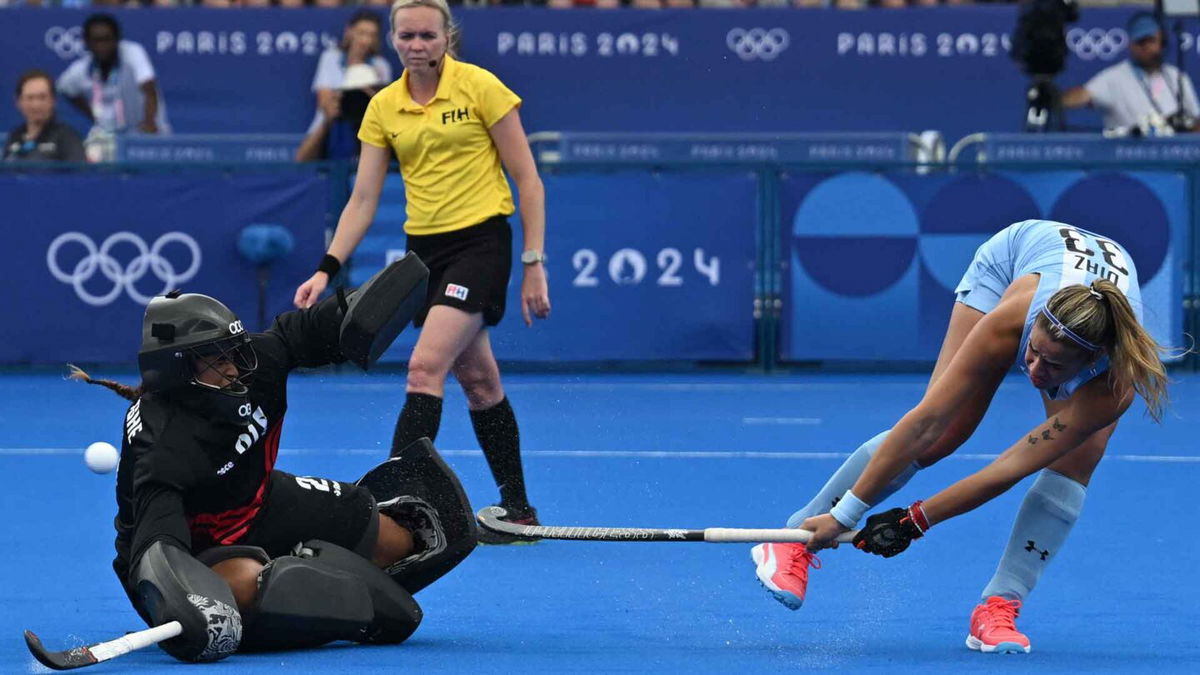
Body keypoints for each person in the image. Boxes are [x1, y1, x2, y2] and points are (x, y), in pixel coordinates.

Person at [752, 219, 1170, 654]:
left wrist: (914, 521)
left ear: (1091, 361)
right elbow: (926, 420)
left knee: (1079, 457)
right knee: (944, 432)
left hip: (1085, 309)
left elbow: (1009, 468)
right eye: (1033, 351)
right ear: (1032, 328)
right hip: (1012, 259)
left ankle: (998, 606)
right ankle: (790, 538)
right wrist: (845, 516)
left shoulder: (1114, 384)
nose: (1034, 369)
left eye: (1054, 367)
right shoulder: (1011, 319)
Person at [67, 270, 477, 662]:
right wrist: (184, 603)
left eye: (233, 352)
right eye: (215, 359)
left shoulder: (254, 365)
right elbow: (160, 546)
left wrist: (359, 309)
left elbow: (304, 332)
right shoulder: (164, 445)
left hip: (260, 501)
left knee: (407, 540)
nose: (233, 366)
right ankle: (305, 588)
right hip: (196, 547)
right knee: (252, 590)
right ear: (178, 368)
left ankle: (310, 572)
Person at [293, 0, 551, 544]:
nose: (417, 45)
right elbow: (363, 198)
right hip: (424, 251)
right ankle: (520, 510)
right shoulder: (384, 106)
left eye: (427, 36)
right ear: (393, 39)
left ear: (446, 37)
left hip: (481, 242)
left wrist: (533, 263)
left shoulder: (481, 87)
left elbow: (527, 179)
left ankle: (391, 515)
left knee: (423, 368)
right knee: (479, 382)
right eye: (407, 36)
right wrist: (326, 268)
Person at [1061, 11, 1200, 133]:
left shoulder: (1176, 77)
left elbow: (1196, 120)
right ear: (1131, 45)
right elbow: (1083, 95)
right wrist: (1054, 102)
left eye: (1151, 41)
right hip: (1127, 158)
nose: (1146, 48)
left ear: (1162, 42)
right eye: (1140, 42)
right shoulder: (1114, 77)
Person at [298, 8, 393, 162]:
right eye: (361, 33)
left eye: (371, 35)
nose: (366, 40)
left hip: (366, 122)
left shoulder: (381, 66)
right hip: (332, 120)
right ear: (349, 32)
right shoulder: (330, 58)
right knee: (328, 117)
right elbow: (324, 102)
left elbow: (381, 106)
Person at [56, 13, 171, 136]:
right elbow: (64, 88)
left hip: (146, 135)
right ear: (86, 43)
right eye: (96, 41)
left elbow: (149, 88)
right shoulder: (82, 69)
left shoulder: (133, 53)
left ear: (117, 39)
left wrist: (149, 123)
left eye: (107, 39)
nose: (102, 46)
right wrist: (94, 116)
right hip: (110, 136)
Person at [4, 69, 85, 162]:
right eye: (30, 98)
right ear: (18, 102)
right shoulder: (13, 137)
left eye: (42, 97)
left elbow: (79, 175)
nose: (36, 105)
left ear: (53, 101)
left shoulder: (67, 138)